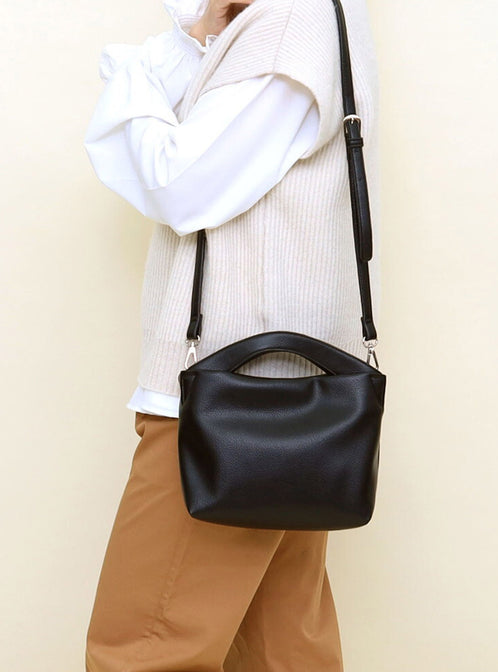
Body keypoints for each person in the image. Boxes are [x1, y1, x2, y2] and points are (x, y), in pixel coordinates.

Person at [83, 0, 380, 670]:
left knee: (142, 650)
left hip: (228, 405)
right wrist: (200, 37)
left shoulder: (287, 23)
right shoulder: (307, 19)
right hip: (296, 405)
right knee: (283, 649)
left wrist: (135, 72)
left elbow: (180, 185)